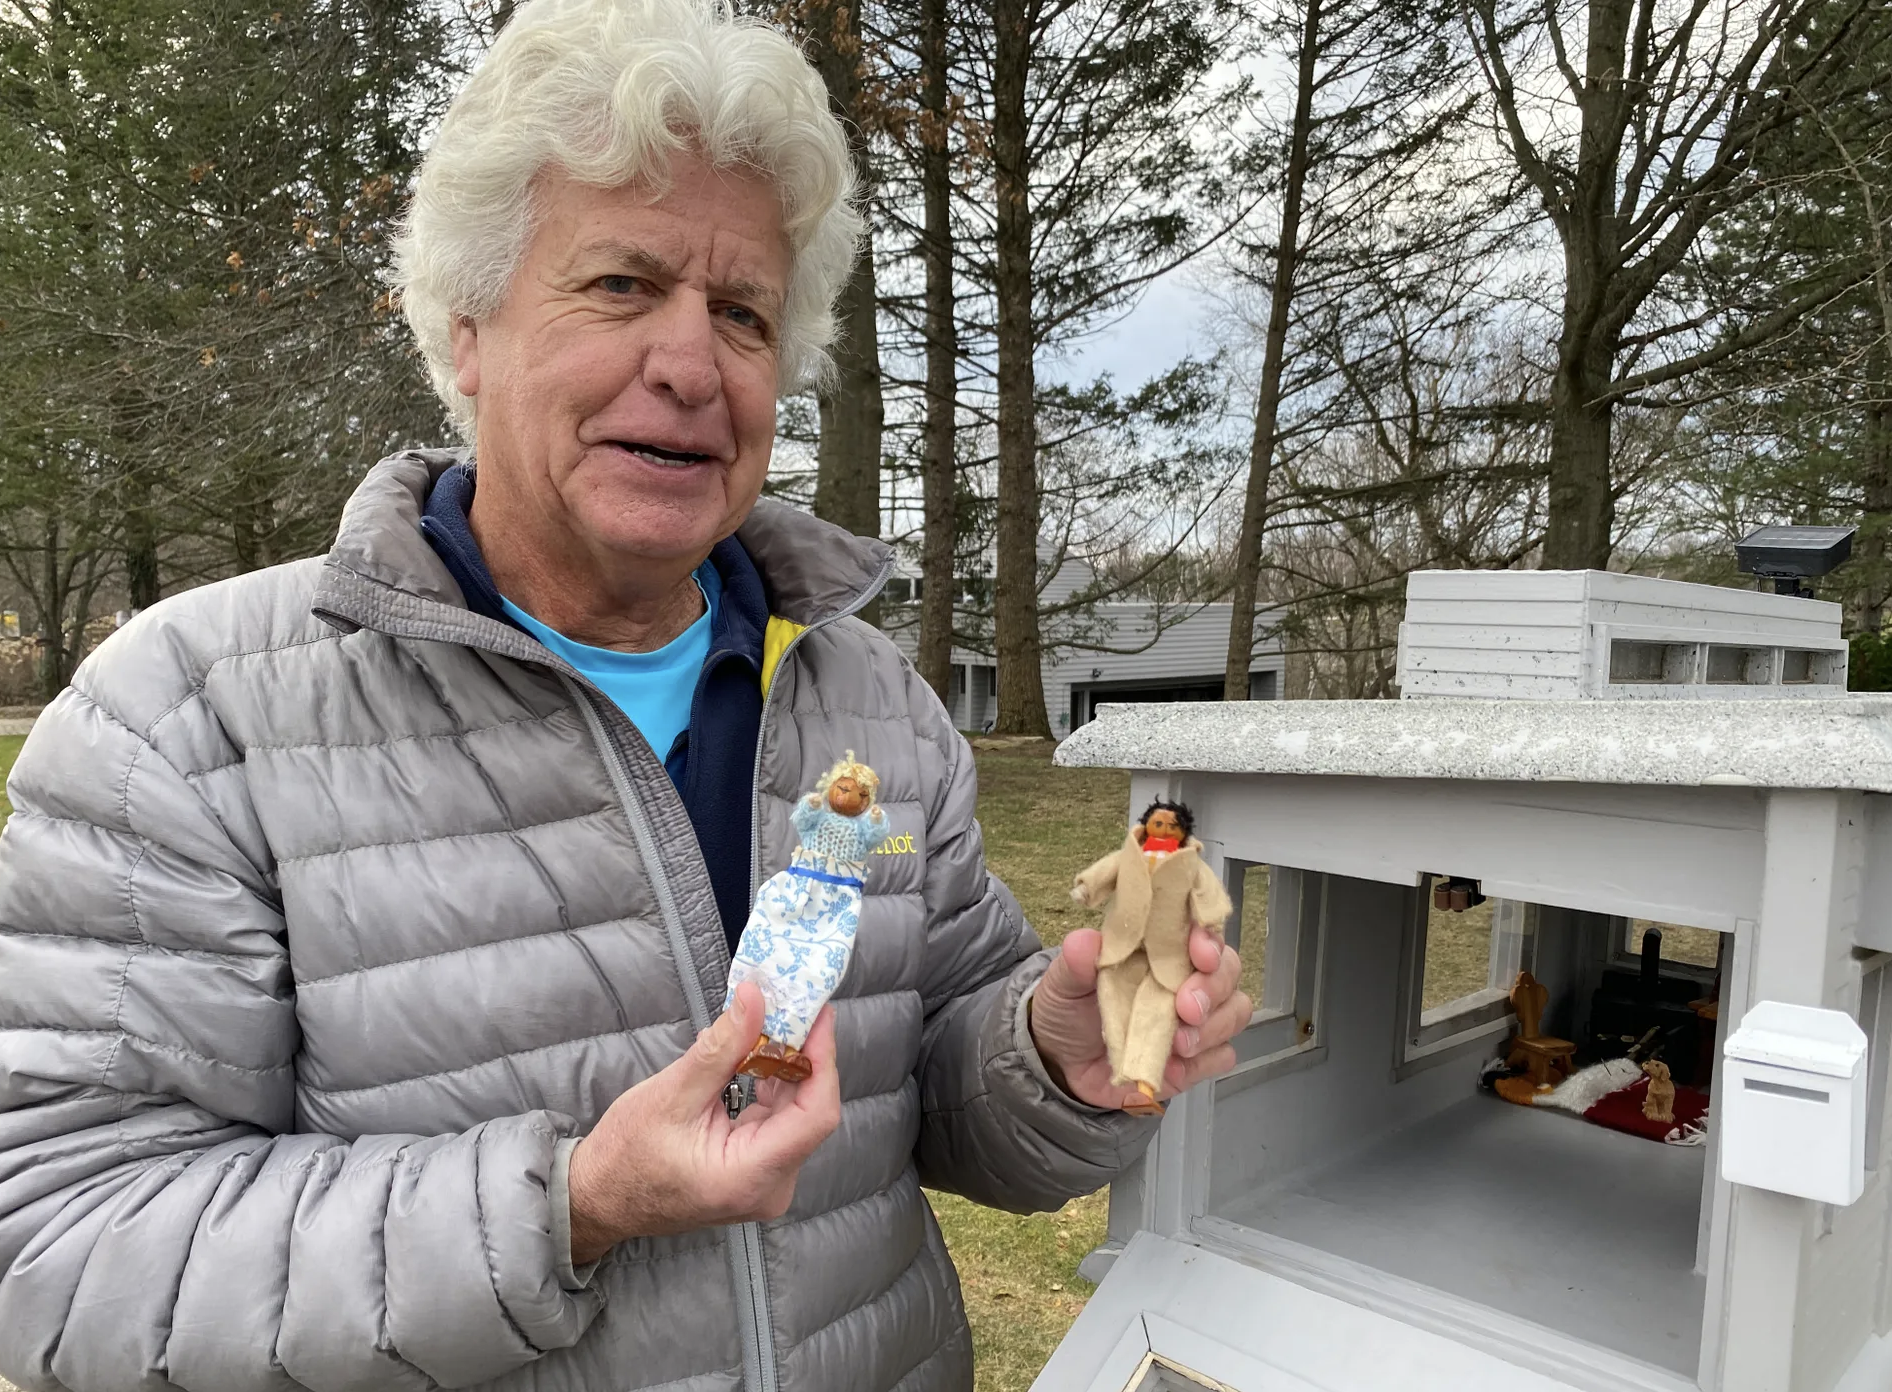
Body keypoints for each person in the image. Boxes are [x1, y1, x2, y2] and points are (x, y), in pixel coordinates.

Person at [0, 0, 1252, 1388]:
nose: (691, 364)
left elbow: (943, 1103)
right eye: (619, 287)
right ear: (466, 331)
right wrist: (573, 1202)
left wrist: (1054, 1053)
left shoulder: (869, 702)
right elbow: (62, 1261)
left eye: (742, 313)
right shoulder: (186, 723)